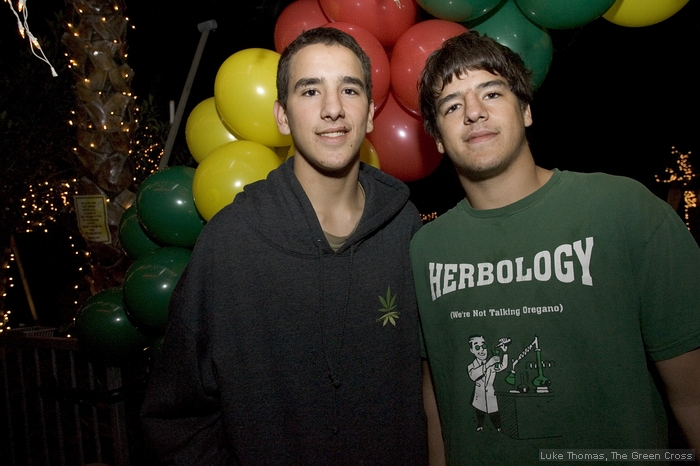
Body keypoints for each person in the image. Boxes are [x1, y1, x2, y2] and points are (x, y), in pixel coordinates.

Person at [141, 27, 429, 465]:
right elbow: (177, 413)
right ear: (282, 116)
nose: (333, 109)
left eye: (349, 89)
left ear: (370, 113)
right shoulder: (231, 241)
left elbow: (431, 384)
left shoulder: (404, 230)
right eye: (310, 91)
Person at [411, 31, 700, 465]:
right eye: (452, 105)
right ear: (437, 138)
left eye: (491, 92)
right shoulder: (425, 249)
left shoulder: (624, 210)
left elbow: (693, 399)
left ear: (525, 110)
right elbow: (439, 405)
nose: (473, 112)